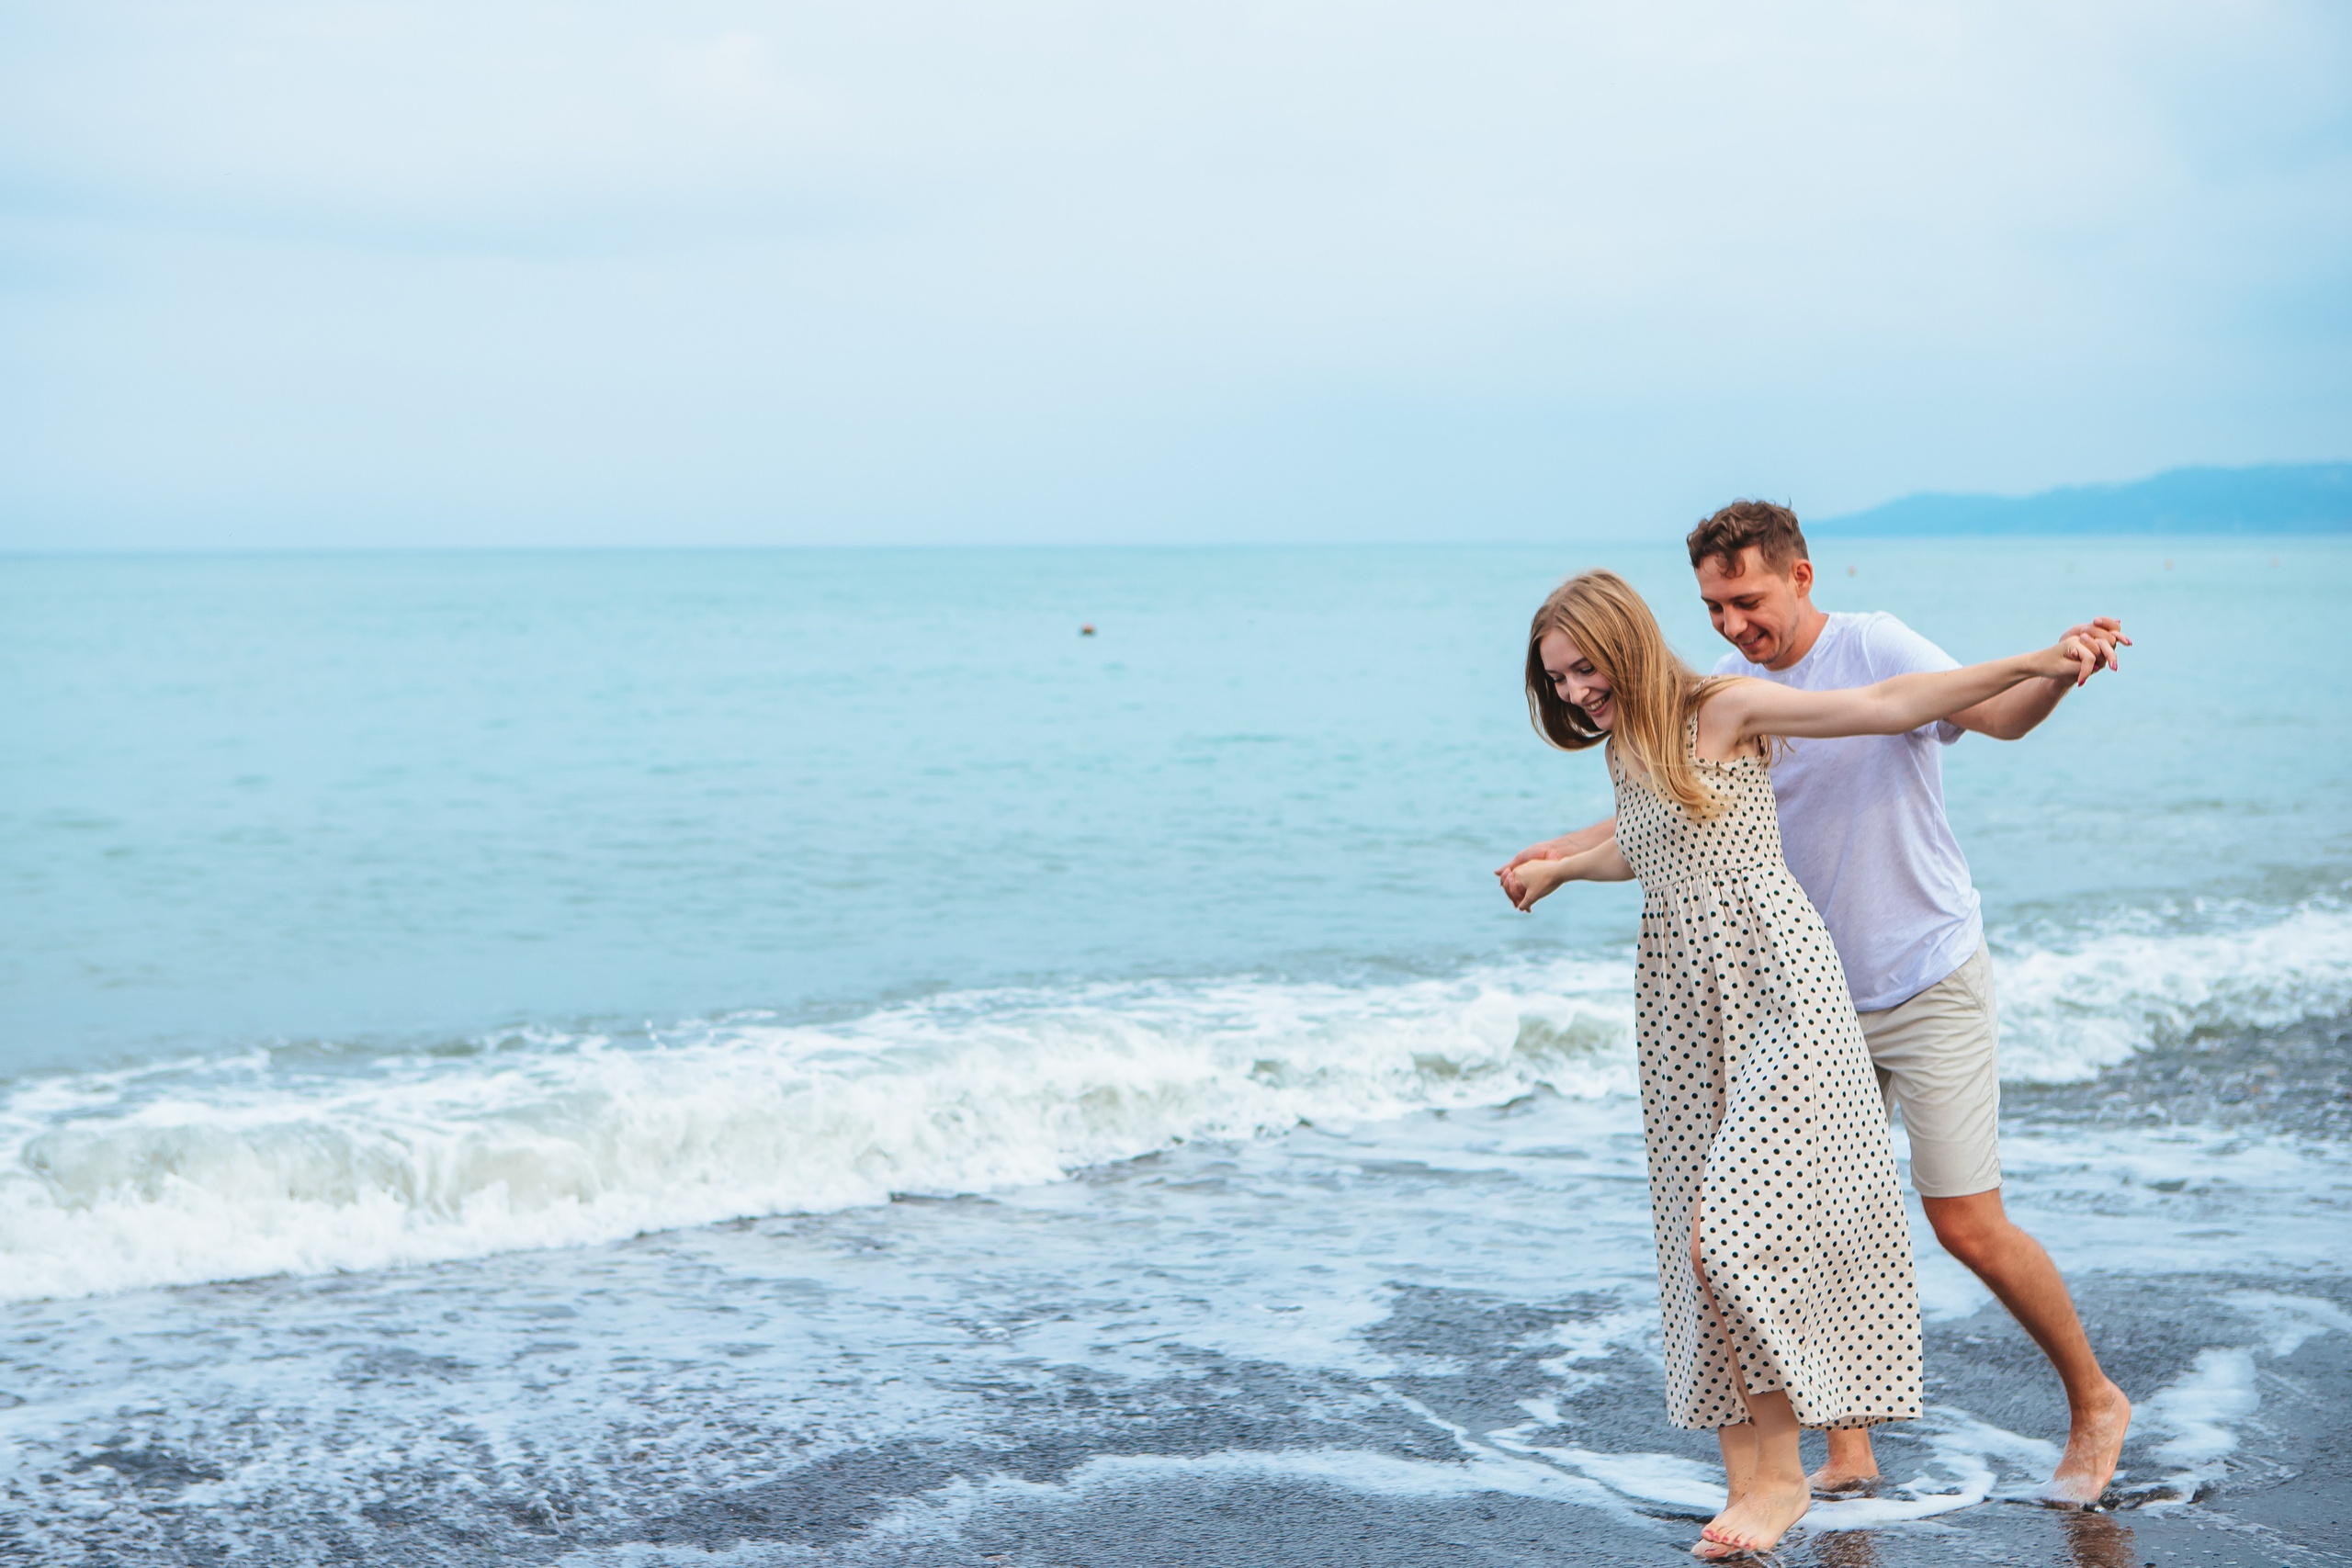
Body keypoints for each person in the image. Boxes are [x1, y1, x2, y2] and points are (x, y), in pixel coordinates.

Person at [1500, 501, 2132, 1507]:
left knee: (1962, 1223)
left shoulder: (1860, 649)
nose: (1730, 622)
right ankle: (1844, 1453)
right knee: (1802, 1215)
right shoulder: (1707, 702)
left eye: (1745, 598)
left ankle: (2094, 1399)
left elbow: (1931, 704)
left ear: (1799, 575)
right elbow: (1672, 811)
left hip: (1918, 970)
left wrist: (2047, 665)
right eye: (1711, 605)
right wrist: (1563, 861)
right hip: (1794, 1003)